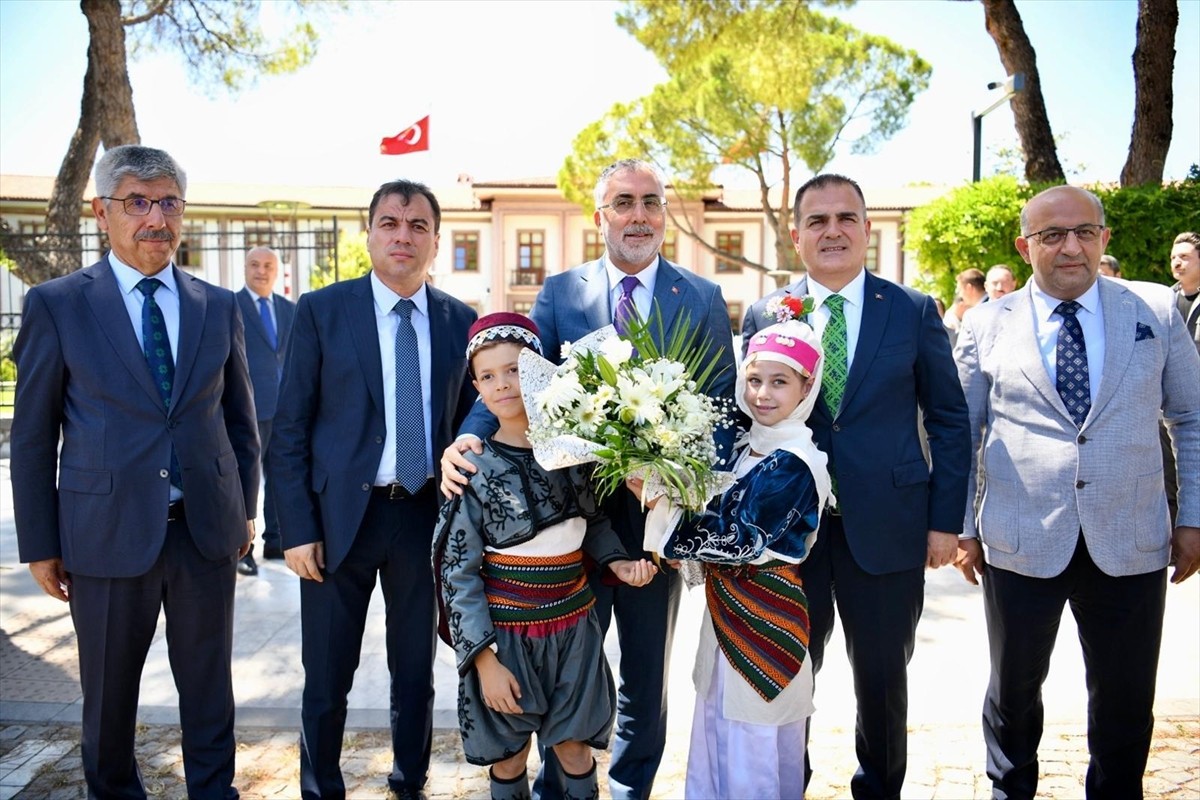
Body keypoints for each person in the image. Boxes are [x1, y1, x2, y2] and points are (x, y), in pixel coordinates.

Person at [441, 158, 737, 800]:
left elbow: (722, 409)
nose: (639, 215)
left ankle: (629, 790)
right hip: (571, 521)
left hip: (657, 526)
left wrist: (680, 489)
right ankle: (561, 787)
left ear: (665, 215)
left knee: (644, 677)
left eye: (651, 202)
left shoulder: (703, 298)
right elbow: (518, 380)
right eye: (624, 202)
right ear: (600, 215)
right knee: (568, 672)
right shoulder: (560, 293)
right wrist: (468, 438)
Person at [10, 144, 260, 799]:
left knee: (210, 690)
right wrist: (39, 543)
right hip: (103, 534)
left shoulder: (217, 305)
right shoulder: (57, 305)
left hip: (205, 532)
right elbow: (32, 437)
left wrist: (244, 510)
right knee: (108, 698)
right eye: (138, 202)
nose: (156, 218)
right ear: (102, 212)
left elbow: (240, 423)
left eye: (169, 202)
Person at [954, 186, 1200, 799]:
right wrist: (961, 527)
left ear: (1104, 238)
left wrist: (1193, 516)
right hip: (1020, 540)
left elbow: (1192, 419)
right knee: (1012, 694)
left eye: (1085, 232)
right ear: (1025, 247)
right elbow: (961, 434)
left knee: (1125, 700)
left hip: (1131, 538)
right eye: (1052, 235)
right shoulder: (986, 324)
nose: (1071, 247)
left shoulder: (1155, 311)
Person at [741, 173, 970, 799]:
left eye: (846, 218)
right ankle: (788, 784)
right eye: (817, 221)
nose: (833, 231)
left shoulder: (913, 309)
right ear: (796, 236)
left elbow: (949, 420)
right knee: (788, 676)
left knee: (883, 681)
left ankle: (880, 790)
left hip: (890, 527)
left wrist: (945, 523)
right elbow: (747, 417)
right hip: (789, 535)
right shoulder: (766, 313)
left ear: (867, 229)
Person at [270, 179, 478, 799]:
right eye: (390, 222)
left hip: (423, 517)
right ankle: (320, 788)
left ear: (435, 240)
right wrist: (295, 530)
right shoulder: (322, 310)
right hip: (338, 523)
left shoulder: (460, 321)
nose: (402, 236)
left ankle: (409, 782)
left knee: (415, 672)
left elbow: (474, 417)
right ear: (369, 235)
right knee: (326, 674)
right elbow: (289, 427)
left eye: (418, 226)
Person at [434, 312, 657, 800]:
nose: (502, 384)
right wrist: (485, 662)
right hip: (506, 636)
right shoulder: (471, 468)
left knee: (574, 750)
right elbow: (457, 572)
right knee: (510, 755)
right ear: (476, 387)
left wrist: (618, 562)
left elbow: (592, 522)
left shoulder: (574, 453)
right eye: (488, 376)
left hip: (574, 628)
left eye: (514, 370)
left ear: (539, 372)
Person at [648, 319, 831, 800]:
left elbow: (737, 538)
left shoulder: (796, 461)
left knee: (754, 743)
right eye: (754, 380)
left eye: (779, 382)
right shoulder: (747, 446)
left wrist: (662, 504)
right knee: (720, 728)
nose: (763, 394)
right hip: (725, 612)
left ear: (806, 387)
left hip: (765, 620)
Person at [236, 246, 295, 574]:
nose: (261, 271)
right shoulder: (232, 306)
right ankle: (242, 548)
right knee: (245, 478)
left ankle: (275, 540)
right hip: (245, 407)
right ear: (245, 268)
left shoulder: (290, 309)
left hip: (282, 408)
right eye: (255, 265)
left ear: (277, 270)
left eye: (268, 265)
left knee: (280, 475)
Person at [1163, 231, 1200, 525]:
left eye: (1185, 257)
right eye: (1174, 257)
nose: (1177, 262)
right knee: (1169, 478)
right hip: (1167, 408)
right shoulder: (1164, 302)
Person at [943, 267, 987, 346]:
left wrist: (953, 317)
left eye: (959, 290)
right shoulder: (992, 305)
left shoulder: (978, 314)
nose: (960, 295)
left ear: (968, 288)